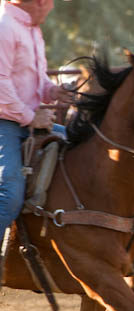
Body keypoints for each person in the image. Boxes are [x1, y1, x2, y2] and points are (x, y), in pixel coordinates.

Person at [0, 0, 73, 247]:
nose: (52, 7)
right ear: (40, 3)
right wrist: (31, 117)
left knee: (84, 150)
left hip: (23, 121)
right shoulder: (4, 26)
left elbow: (34, 79)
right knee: (9, 194)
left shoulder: (29, 29)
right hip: (5, 123)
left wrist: (53, 91)